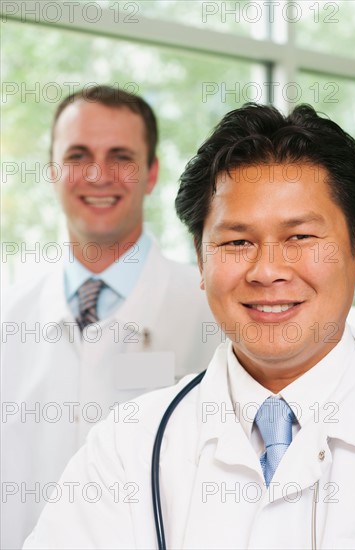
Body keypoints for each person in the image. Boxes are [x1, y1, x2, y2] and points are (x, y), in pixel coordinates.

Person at [23, 103, 355, 550]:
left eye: (300, 237)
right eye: (237, 241)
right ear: (201, 258)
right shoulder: (128, 444)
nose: (267, 270)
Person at [1, 85, 221, 550]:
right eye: (78, 155)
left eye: (121, 155)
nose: (99, 174)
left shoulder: (213, 311)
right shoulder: (10, 316)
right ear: (52, 170)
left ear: (152, 173)